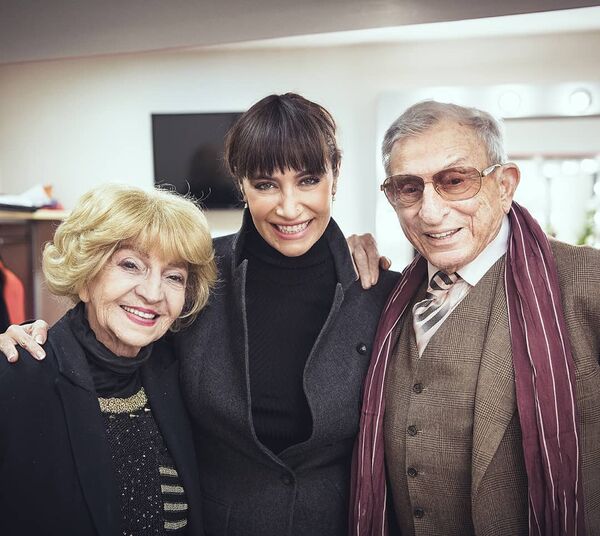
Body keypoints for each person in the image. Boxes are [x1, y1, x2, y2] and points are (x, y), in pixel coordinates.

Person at [0, 94, 399, 536]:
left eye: (308, 180)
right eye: (265, 184)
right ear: (241, 185)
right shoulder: (197, 273)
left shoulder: (379, 291)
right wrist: (26, 341)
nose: (289, 207)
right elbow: (109, 331)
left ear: (335, 176)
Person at [349, 101, 600, 536]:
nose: (430, 212)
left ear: (505, 185)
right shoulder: (385, 297)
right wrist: (336, 257)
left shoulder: (587, 279)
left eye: (454, 181)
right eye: (409, 188)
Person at [0, 184, 217, 536]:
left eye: (174, 276)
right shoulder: (17, 379)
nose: (153, 293)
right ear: (85, 276)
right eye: (130, 265)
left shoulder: (181, 373)